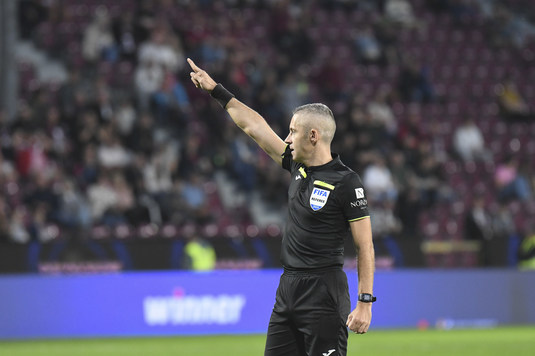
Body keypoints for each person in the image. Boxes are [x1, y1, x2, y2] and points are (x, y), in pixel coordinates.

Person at [188, 58, 375, 356]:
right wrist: (216, 91)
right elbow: (254, 127)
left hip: (324, 292)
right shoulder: (296, 166)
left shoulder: (346, 182)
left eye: (293, 132)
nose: (287, 139)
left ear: (313, 136)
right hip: (288, 289)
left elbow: (365, 246)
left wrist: (365, 303)